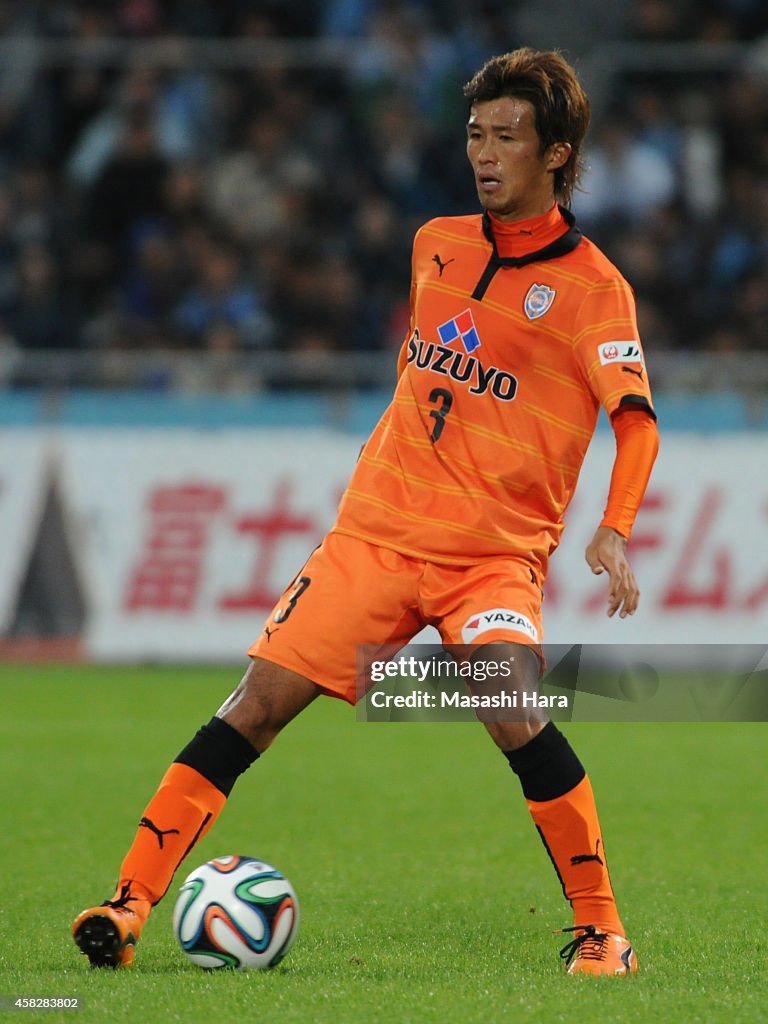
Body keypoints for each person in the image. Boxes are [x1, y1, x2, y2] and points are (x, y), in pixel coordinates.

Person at [72, 48, 659, 976]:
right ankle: (129, 903)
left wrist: (616, 525)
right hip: (376, 534)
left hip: (491, 558)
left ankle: (603, 930)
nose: (486, 153)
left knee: (511, 703)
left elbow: (637, 426)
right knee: (254, 703)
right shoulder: (435, 242)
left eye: (508, 137)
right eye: (476, 134)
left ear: (558, 152)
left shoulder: (596, 290)